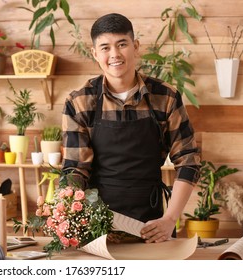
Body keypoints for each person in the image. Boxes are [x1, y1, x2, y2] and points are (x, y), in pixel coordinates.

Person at [61, 13, 201, 243]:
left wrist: (169, 219)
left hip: (153, 227)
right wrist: (66, 210)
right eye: (105, 47)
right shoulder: (79, 101)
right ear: (95, 54)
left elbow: (188, 160)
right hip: (97, 227)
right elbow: (76, 167)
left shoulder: (164, 97)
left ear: (135, 47)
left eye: (122, 44)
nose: (114, 54)